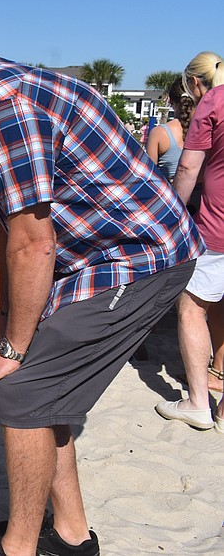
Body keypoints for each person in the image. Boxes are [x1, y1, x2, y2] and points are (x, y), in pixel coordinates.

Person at [0, 7, 202, 556]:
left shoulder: (4, 101)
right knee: (36, 382)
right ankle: (73, 537)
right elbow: (10, 224)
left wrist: (10, 350)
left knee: (24, 385)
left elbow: (33, 240)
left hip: (142, 254)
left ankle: (19, 548)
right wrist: (5, 330)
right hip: (93, 257)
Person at [155, 51, 224, 432]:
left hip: (218, 223)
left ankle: (199, 402)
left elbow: (187, 167)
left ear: (196, 84)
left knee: (192, 305)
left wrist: (173, 215)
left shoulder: (214, 100)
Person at [146, 78, 196, 181]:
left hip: (168, 193)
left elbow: (149, 173)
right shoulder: (203, 130)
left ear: (170, 101)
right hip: (199, 193)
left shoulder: (158, 133)